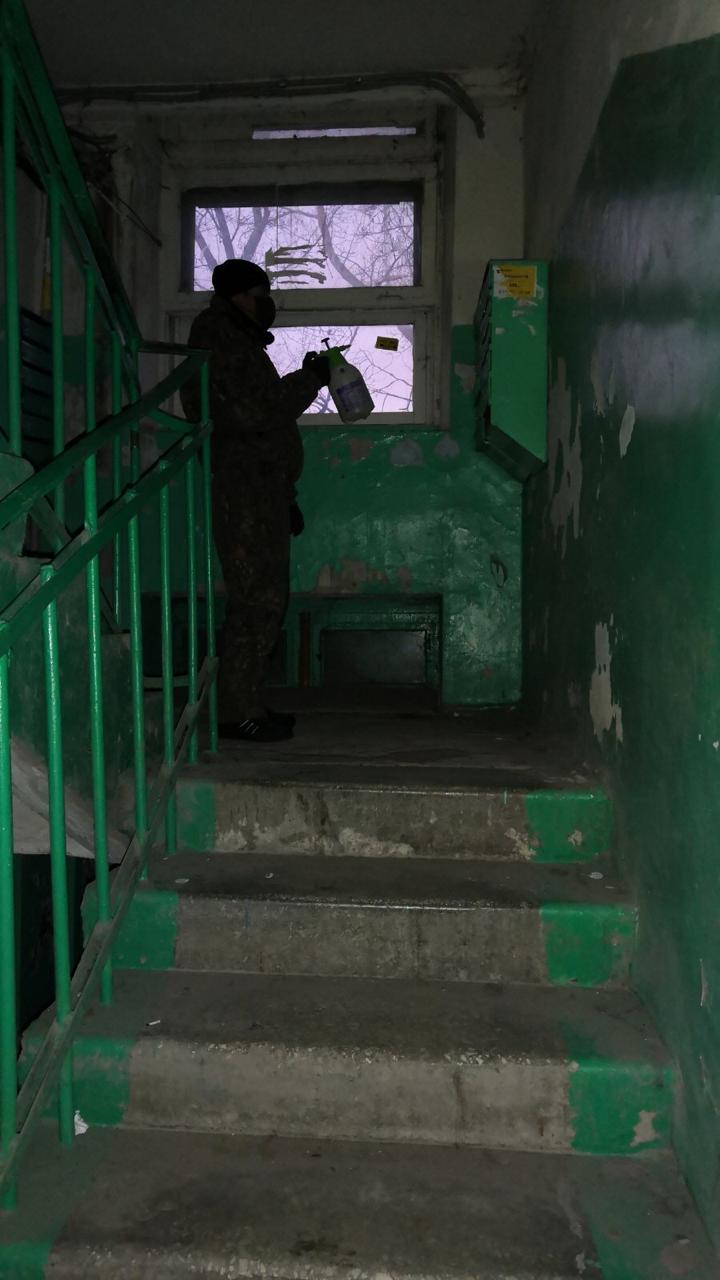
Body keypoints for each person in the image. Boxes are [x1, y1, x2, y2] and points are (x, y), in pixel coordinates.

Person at [180, 258, 329, 742]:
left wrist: (283, 495)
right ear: (236, 296)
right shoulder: (221, 337)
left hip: (259, 489)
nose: (266, 303)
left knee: (263, 599)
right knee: (256, 602)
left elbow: (259, 424)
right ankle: (235, 712)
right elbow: (255, 413)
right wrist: (311, 379)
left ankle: (245, 703)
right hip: (245, 490)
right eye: (258, 293)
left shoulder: (235, 339)